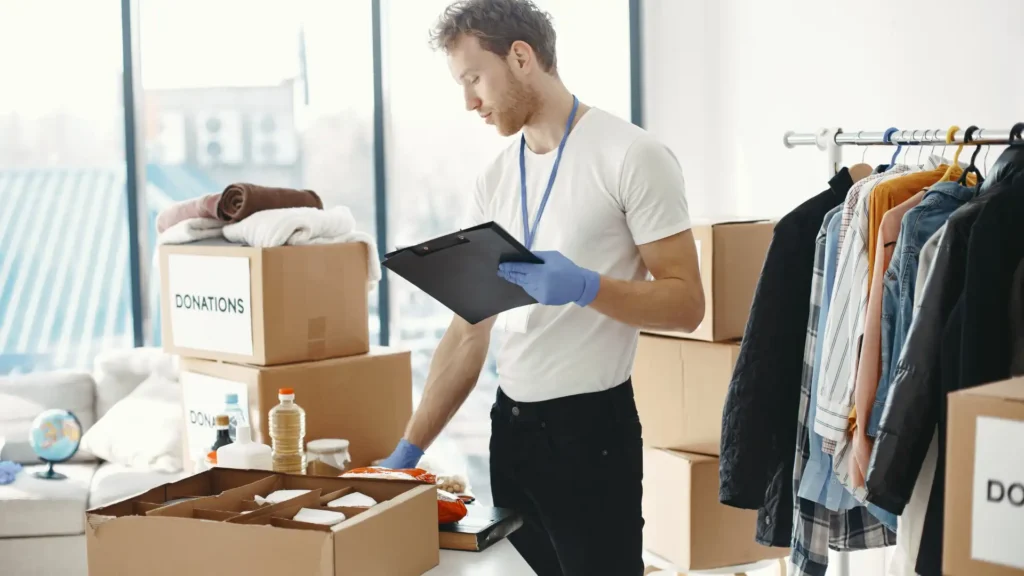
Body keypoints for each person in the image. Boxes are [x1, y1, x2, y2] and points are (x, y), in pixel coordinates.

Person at [378, 1, 705, 574]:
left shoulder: (631, 155)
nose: (469, 101)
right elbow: (468, 329)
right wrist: (409, 451)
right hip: (511, 431)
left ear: (522, 58)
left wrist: (585, 286)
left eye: (474, 79)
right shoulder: (496, 177)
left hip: (591, 433)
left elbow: (687, 303)